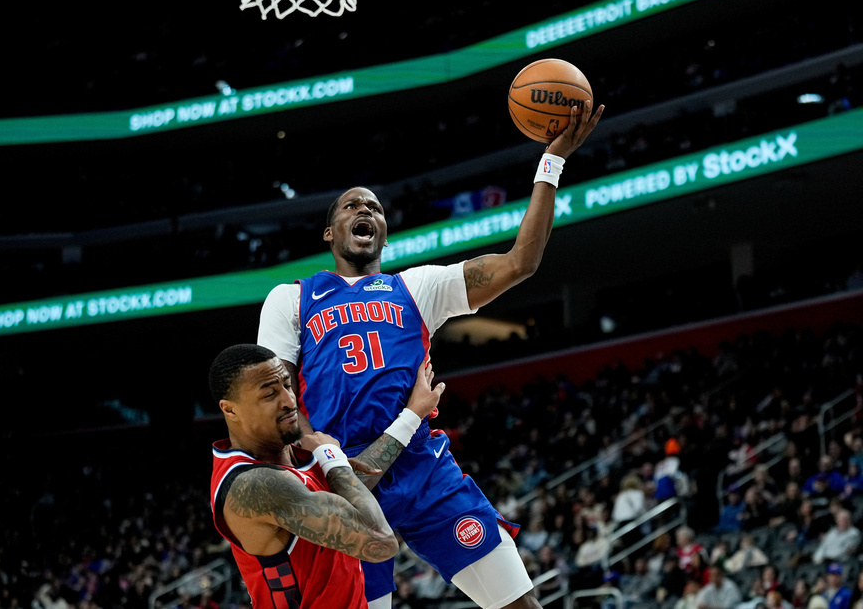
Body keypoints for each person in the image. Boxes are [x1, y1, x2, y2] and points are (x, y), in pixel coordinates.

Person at [257, 101, 604, 609]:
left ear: (383, 232)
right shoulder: (292, 297)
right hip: (338, 481)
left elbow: (520, 263)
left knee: (520, 604)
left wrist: (550, 164)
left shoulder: (416, 287)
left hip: (422, 468)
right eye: (352, 206)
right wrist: (324, 454)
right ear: (330, 233)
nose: (365, 211)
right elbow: (278, 400)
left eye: (374, 208)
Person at [207, 343, 444, 608]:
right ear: (230, 409)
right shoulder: (253, 485)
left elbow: (347, 492)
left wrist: (412, 414)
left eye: (287, 385)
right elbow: (379, 540)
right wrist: (332, 458)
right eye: (270, 394)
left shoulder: (292, 456)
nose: (288, 401)